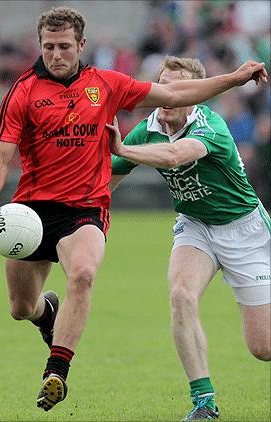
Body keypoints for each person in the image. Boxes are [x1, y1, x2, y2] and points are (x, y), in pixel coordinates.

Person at [0, 6, 268, 413]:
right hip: (37, 212)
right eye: (48, 46)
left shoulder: (116, 89)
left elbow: (178, 140)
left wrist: (235, 77)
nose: (56, 55)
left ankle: (57, 370)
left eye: (64, 47)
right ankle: (48, 314)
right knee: (22, 308)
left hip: (118, 214)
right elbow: (1, 158)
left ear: (81, 45)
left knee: (86, 273)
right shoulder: (23, 92)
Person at [108, 56, 270, 421]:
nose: (169, 95)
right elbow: (105, 183)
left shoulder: (210, 125)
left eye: (180, 88)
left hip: (244, 230)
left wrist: (123, 150)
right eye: (164, 85)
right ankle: (204, 402)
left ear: (197, 95)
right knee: (181, 294)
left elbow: (175, 155)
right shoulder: (148, 127)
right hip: (195, 225)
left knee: (263, 348)